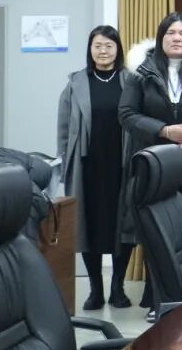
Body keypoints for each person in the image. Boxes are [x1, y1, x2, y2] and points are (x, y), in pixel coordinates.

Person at [119, 12, 182, 318]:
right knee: (158, 231)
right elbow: (126, 114)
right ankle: (158, 299)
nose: (177, 38)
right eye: (170, 33)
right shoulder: (142, 71)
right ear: (161, 37)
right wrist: (163, 131)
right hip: (153, 163)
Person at [56, 25, 134, 310]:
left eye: (109, 45)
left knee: (122, 225)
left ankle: (118, 288)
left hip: (121, 164)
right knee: (87, 226)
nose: (103, 51)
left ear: (117, 49)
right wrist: (65, 164)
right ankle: (95, 290)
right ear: (90, 49)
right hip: (87, 166)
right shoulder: (76, 83)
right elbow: (63, 129)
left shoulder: (130, 81)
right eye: (98, 45)